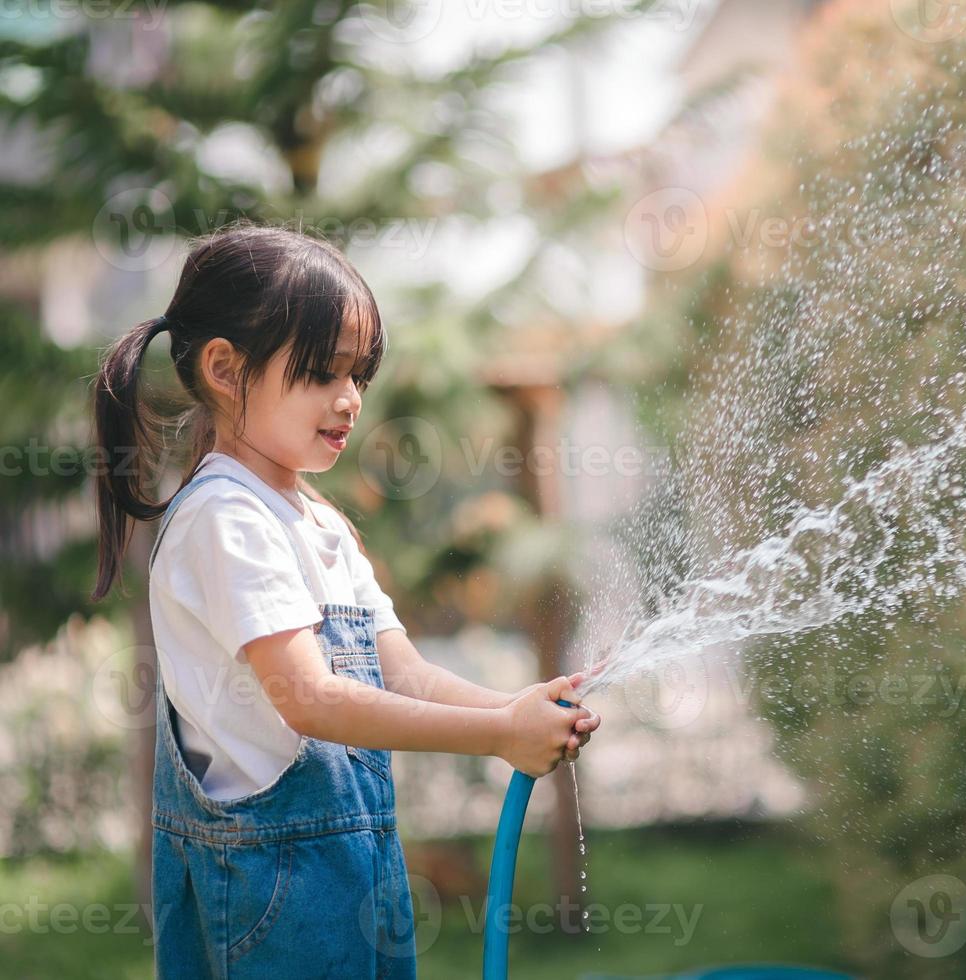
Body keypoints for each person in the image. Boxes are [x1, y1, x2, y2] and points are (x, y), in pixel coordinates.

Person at [89, 222, 600, 979]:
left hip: (354, 874)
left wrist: (515, 708)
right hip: (273, 898)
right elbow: (312, 699)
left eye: (360, 375)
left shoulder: (318, 520)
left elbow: (404, 672)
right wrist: (496, 733)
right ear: (226, 369)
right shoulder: (225, 519)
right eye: (325, 373)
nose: (351, 399)